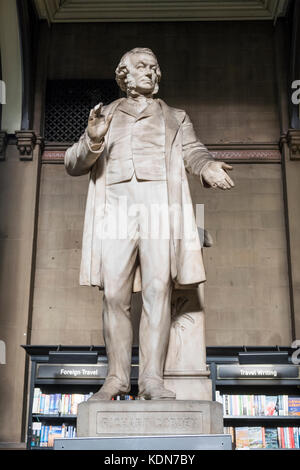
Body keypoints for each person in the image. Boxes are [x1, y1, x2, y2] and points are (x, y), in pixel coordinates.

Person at [65, 48, 234, 400]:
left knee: (159, 293)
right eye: (142, 67)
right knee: (113, 295)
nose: (151, 72)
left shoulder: (175, 116)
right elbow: (73, 163)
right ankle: (116, 378)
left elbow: (193, 151)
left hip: (160, 208)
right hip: (116, 209)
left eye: (154, 68)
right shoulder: (105, 115)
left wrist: (207, 167)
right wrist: (93, 139)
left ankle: (152, 380)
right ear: (123, 74)